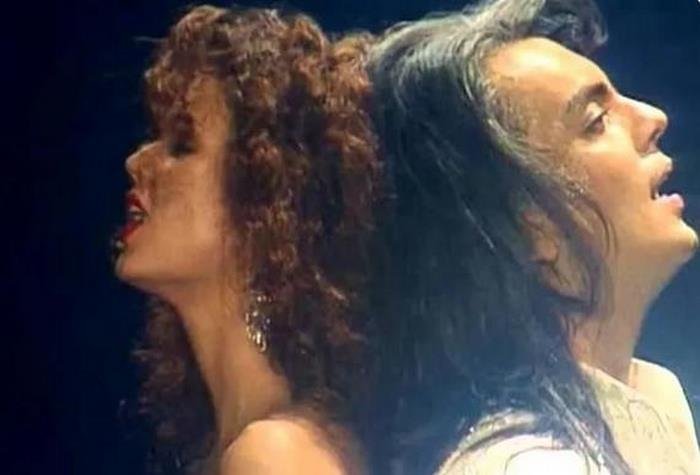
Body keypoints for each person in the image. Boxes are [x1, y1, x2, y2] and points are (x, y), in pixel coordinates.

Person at [365, 0, 700, 473]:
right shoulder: (525, 465)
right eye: (596, 120)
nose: (653, 117)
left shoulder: (648, 401)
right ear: (524, 229)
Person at [111, 6, 379, 474]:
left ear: (262, 199)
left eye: (182, 145)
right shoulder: (250, 445)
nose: (136, 162)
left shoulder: (275, 455)